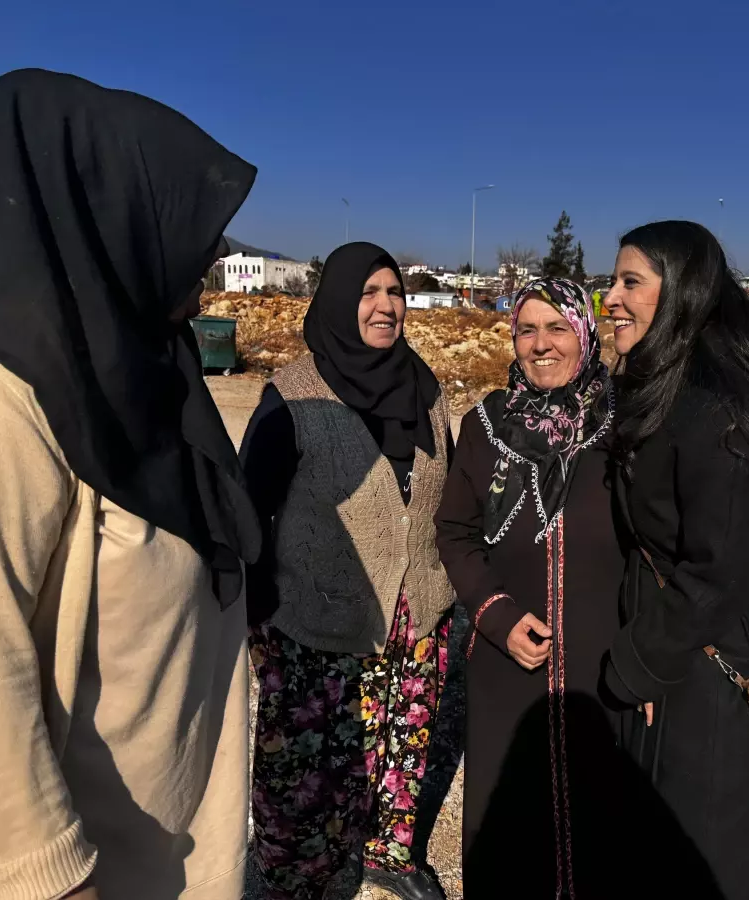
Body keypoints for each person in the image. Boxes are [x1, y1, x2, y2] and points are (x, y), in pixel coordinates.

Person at [0, 70, 261, 900]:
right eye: (180, 212)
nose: (216, 250)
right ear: (100, 214)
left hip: (154, 859)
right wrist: (49, 879)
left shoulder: (143, 379)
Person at [436, 276, 749, 897]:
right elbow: (455, 533)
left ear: (584, 335)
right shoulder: (486, 425)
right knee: (510, 830)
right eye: (527, 328)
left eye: (558, 327)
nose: (540, 344)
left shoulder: (633, 415)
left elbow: (723, 481)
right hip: (509, 669)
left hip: (610, 664)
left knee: (607, 832)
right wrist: (497, 615)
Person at [599, 221, 749, 900]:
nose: (610, 298)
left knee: (705, 856)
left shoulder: (718, 404)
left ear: (683, 292)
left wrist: (636, 669)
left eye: (630, 281)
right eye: (614, 280)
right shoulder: (665, 382)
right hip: (687, 650)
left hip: (721, 665)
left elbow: (717, 571)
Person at [241, 242, 454, 900]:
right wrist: (256, 615)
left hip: (413, 610)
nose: (386, 305)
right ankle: (289, 876)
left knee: (400, 750)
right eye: (369, 292)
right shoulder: (294, 394)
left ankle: (388, 853)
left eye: (394, 293)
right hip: (315, 616)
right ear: (337, 300)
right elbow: (251, 508)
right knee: (305, 766)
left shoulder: (427, 387)